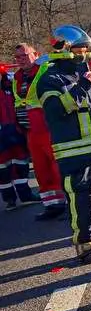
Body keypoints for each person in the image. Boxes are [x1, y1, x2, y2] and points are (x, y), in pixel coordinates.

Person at [35, 26, 91, 264]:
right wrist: (81, 87)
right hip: (74, 151)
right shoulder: (49, 78)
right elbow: (56, 111)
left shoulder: (87, 75)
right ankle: (85, 245)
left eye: (87, 48)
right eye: (81, 48)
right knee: (83, 199)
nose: (86, 53)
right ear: (64, 48)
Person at [12, 43, 67, 219]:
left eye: (24, 55)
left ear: (35, 54)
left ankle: (68, 204)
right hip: (30, 131)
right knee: (41, 170)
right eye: (18, 57)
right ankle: (52, 205)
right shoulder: (17, 77)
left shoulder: (45, 71)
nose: (21, 60)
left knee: (57, 167)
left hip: (48, 127)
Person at [0, 66, 37, 211]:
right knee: (3, 170)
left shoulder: (10, 88)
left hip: (15, 132)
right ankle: (9, 199)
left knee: (21, 165)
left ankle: (26, 195)